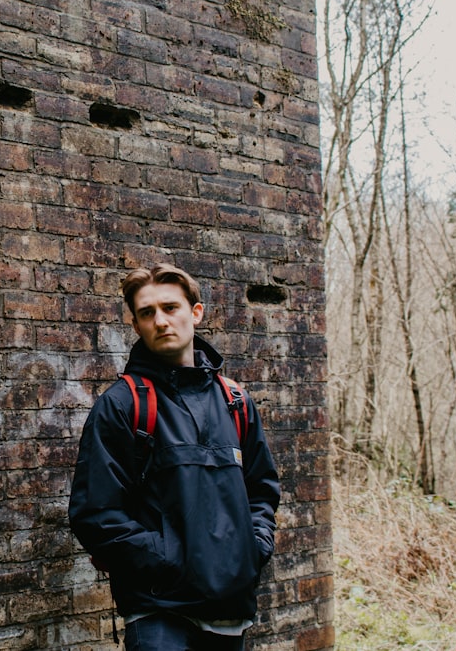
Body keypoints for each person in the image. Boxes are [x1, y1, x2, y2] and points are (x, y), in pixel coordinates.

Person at [68, 264, 280, 651]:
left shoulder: (236, 403)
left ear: (195, 313)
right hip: (158, 611)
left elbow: (262, 492)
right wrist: (171, 560)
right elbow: (95, 514)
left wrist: (252, 549)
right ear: (136, 325)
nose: (161, 321)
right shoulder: (122, 405)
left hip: (230, 610)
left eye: (170, 308)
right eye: (147, 313)